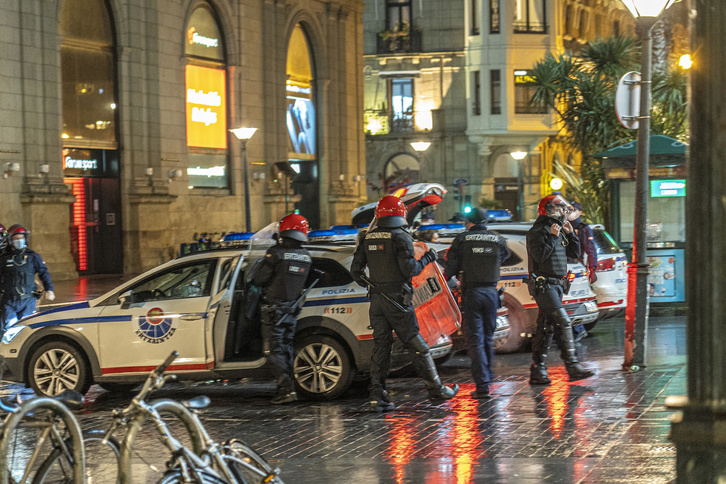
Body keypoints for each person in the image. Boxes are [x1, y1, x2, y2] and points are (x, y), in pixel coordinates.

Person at [351, 195, 459, 411]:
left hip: (377, 302)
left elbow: (355, 271)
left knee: (381, 348)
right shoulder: (400, 237)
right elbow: (411, 271)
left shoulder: (368, 238)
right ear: (400, 214)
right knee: (419, 347)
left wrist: (375, 286)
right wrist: (428, 258)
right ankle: (436, 391)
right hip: (399, 302)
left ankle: (376, 397)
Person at [527, 195, 594, 385]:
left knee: (546, 327)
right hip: (543, 284)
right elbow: (540, 256)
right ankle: (572, 366)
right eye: (559, 211)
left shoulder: (556, 229)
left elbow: (573, 253)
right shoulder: (538, 231)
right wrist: (552, 236)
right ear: (547, 211)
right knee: (563, 320)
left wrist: (570, 234)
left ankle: (538, 369)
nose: (563, 214)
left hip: (557, 285)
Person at [444, 207, 510, 399]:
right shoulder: (498, 239)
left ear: (468, 222)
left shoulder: (462, 240)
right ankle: (487, 378)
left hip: (472, 293)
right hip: (491, 293)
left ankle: (482, 386)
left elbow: (451, 267)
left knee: (475, 341)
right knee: (488, 339)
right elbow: (503, 257)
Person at [251, 214, 313, 405]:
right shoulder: (305, 256)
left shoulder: (276, 254)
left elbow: (258, 279)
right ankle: (290, 387)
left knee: (274, 351)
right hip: (290, 311)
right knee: (286, 349)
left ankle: (285, 390)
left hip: (273, 312)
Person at [1, 225, 55, 337]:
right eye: (16, 238)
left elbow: (43, 273)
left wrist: (49, 289)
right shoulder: (3, 259)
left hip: (28, 300)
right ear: (11, 240)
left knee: (27, 331)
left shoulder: (33, 257)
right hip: (9, 301)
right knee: (10, 330)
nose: (19, 241)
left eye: (21, 238)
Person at [567, 201, 598, 341]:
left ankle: (578, 330)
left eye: (573, 210)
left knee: (572, 300)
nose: (570, 212)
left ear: (579, 212)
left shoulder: (583, 229)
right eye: (568, 209)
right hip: (563, 267)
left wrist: (593, 269)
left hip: (575, 267)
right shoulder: (562, 226)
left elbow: (591, 250)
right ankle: (575, 330)